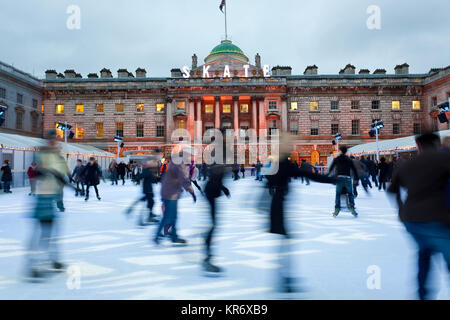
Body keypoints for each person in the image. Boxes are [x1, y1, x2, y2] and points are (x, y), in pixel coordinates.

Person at [264, 133, 336, 292]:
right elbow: (307, 174)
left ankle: (283, 277)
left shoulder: (275, 165)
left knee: (285, 241)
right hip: (279, 206)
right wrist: (331, 180)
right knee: (286, 241)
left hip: (275, 205)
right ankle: (284, 279)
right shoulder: (285, 165)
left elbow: (266, 182)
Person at [387, 132, 450, 300]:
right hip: (439, 218)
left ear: (417, 145)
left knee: (424, 254)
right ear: (437, 142)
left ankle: (422, 294)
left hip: (413, 220)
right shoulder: (445, 159)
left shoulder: (407, 164)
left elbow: (392, 190)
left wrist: (401, 210)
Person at [26, 130, 68, 279]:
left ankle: (52, 259)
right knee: (42, 232)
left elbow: (60, 174)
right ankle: (33, 264)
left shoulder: (57, 156)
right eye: (51, 139)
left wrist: (67, 183)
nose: (53, 142)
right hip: (43, 196)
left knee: (51, 232)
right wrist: (49, 172)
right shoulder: (43, 154)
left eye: (55, 140)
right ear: (47, 140)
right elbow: (40, 171)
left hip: (50, 196)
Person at [154, 154, 196, 245]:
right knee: (170, 216)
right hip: (171, 194)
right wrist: (192, 191)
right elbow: (183, 179)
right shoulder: (179, 165)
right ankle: (165, 237)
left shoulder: (174, 164)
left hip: (167, 192)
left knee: (170, 216)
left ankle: (169, 236)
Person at [203, 163, 230, 273]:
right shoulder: (220, 168)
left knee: (214, 224)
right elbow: (214, 181)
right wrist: (223, 189)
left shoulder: (220, 168)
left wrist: (224, 189)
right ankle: (207, 251)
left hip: (211, 194)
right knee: (213, 224)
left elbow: (216, 182)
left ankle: (207, 247)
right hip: (210, 194)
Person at [328, 146, 359, 217]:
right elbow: (354, 169)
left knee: (338, 194)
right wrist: (356, 178)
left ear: (340, 151)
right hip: (347, 178)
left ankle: (337, 208)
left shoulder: (337, 159)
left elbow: (331, 168)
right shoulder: (349, 159)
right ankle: (351, 206)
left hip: (339, 178)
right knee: (350, 193)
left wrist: (327, 176)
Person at [128, 160, 159, 226]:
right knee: (148, 203)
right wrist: (136, 178)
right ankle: (143, 219)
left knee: (150, 202)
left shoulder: (148, 171)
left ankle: (149, 215)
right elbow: (141, 176)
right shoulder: (146, 171)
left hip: (148, 189)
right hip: (148, 190)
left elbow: (152, 179)